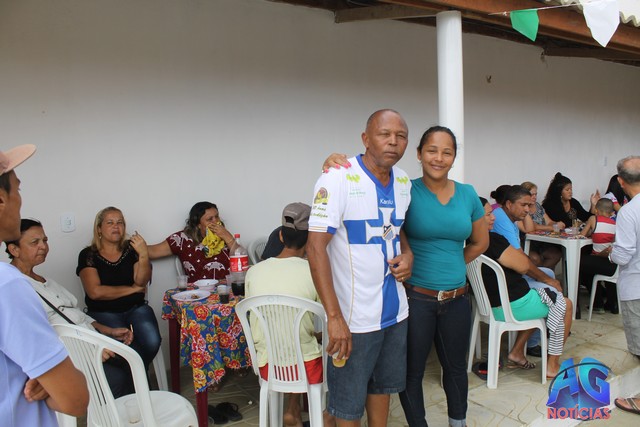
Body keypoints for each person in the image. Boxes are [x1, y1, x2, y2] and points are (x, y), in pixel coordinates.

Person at [321, 124, 488, 427]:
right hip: (415, 297)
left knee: (455, 368)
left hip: (455, 298)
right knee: (411, 372)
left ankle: (458, 421)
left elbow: (479, 242)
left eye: (447, 152)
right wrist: (335, 163)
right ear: (420, 154)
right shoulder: (405, 187)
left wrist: (451, 263)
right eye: (432, 151)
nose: (439, 158)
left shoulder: (465, 194)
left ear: (454, 158)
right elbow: (391, 227)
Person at [306, 109, 414, 427]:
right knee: (347, 406)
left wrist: (408, 254)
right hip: (353, 319)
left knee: (383, 389)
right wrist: (335, 317)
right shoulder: (337, 177)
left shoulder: (403, 181)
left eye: (401, 136)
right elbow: (315, 248)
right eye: (384, 134)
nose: (393, 141)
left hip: (395, 312)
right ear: (366, 139)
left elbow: (397, 228)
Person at [0, 145, 88, 425]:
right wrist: (56, 381)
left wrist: (43, 376)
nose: (20, 200)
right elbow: (75, 400)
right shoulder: (8, 286)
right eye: (18, 189)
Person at [6, 218, 135, 397]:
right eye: (35, 242)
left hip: (91, 343)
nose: (43, 246)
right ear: (14, 249)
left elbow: (74, 315)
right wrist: (89, 350)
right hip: (73, 356)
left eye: (45, 240)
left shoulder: (46, 282)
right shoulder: (15, 287)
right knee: (118, 378)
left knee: (132, 361)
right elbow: (40, 335)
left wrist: (108, 331)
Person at [246, 202, 334, 427]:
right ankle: (329, 414)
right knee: (335, 347)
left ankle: (292, 410)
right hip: (307, 367)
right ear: (310, 238)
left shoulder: (253, 272)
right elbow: (329, 315)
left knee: (296, 341)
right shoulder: (314, 272)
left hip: (268, 366)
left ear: (280, 237)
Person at [478, 197, 572, 379]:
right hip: (511, 306)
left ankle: (517, 352)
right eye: (488, 214)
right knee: (566, 304)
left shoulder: (466, 241)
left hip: (488, 305)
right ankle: (552, 366)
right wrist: (549, 280)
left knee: (543, 297)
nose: (493, 217)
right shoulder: (492, 240)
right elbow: (523, 265)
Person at [77, 206, 161, 372]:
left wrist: (143, 254)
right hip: (104, 312)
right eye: (110, 223)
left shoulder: (131, 250)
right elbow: (95, 292)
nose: (116, 226)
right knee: (129, 350)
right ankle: (139, 378)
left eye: (120, 222)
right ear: (99, 228)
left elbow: (141, 281)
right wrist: (133, 289)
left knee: (152, 341)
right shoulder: (88, 255)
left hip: (136, 308)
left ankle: (136, 374)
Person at [610, 156, 640, 415]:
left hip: (636, 286)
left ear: (620, 181)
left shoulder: (629, 212)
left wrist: (611, 253)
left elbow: (624, 254)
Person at [148, 201, 238, 281]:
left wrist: (227, 236)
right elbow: (152, 252)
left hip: (227, 289)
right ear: (198, 224)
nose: (216, 222)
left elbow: (241, 259)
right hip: (197, 292)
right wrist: (139, 244)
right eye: (210, 219)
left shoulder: (225, 236)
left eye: (217, 217)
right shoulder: (182, 239)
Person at [578, 198, 618, 313]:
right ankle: (613, 304)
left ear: (596, 210)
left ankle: (597, 303)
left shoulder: (593, 218)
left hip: (599, 259)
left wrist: (589, 231)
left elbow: (582, 235)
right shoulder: (615, 224)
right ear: (612, 213)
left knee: (579, 264)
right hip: (613, 263)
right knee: (591, 268)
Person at [520, 181, 563, 269]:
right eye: (532, 194)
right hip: (528, 243)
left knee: (556, 255)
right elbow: (534, 226)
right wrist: (551, 228)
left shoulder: (537, 206)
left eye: (536, 194)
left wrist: (557, 224)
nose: (534, 197)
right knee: (536, 259)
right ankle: (541, 275)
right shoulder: (522, 208)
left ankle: (542, 275)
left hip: (542, 243)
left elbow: (549, 221)